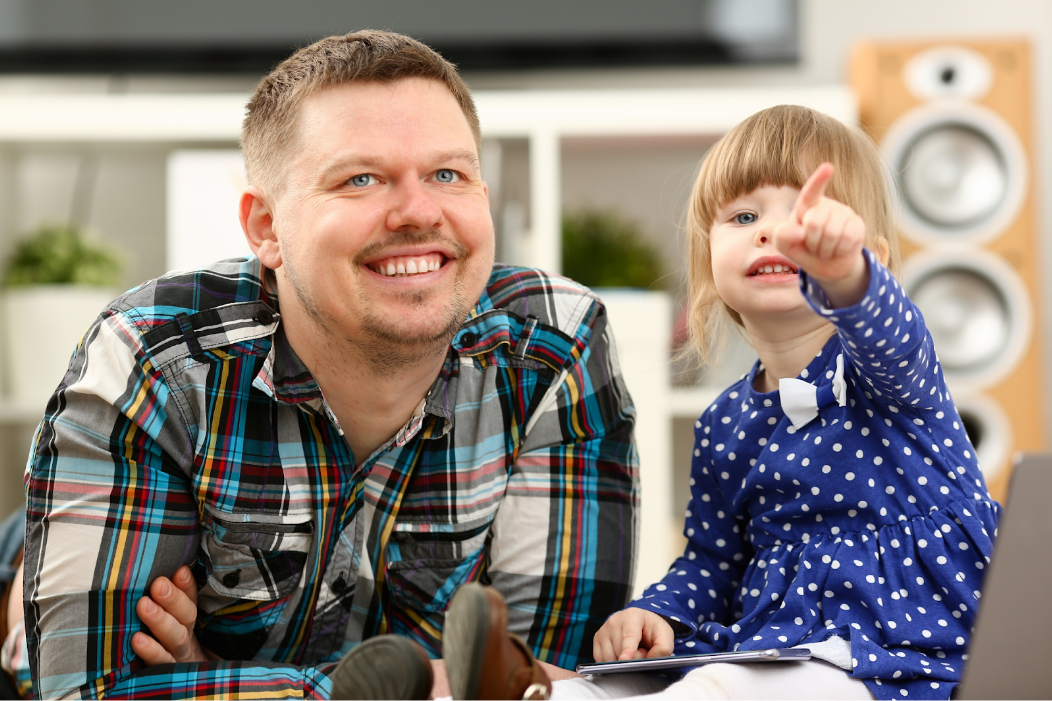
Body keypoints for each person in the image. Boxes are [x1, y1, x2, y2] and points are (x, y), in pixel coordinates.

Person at [21, 30, 639, 700]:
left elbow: (549, 683)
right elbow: (86, 690)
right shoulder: (157, 359)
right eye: (361, 179)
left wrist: (216, 680)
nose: (419, 211)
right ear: (266, 229)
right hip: (52, 548)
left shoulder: (554, 348)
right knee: (24, 607)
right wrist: (420, 684)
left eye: (447, 174)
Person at [438, 105, 1000, 700]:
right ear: (709, 259)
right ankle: (515, 691)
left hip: (903, 655)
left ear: (872, 259)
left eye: (805, 217)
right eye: (744, 216)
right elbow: (711, 562)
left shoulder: (889, 378)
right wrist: (656, 613)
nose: (772, 231)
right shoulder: (726, 421)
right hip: (777, 648)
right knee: (626, 687)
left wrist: (847, 277)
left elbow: (890, 333)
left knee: (716, 686)